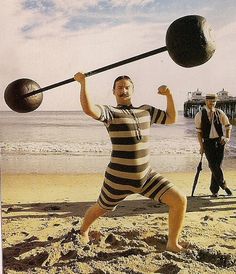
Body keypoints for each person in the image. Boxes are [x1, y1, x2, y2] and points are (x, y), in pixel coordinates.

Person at [74, 72, 187, 252]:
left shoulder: (146, 110)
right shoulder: (110, 112)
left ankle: (172, 243)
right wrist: (83, 82)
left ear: (132, 90)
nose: (123, 90)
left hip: (145, 177)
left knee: (179, 200)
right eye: (119, 87)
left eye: (127, 87)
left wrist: (169, 95)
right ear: (114, 91)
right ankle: (83, 230)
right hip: (117, 180)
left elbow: (171, 118)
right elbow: (89, 109)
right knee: (100, 208)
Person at [194, 93, 232, 197]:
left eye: (214, 102)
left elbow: (228, 126)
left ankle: (214, 191)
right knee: (212, 165)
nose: (212, 103)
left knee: (217, 166)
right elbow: (199, 133)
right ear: (206, 101)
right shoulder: (200, 114)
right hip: (207, 143)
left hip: (220, 142)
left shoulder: (220, 113)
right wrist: (201, 147)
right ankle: (223, 185)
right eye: (210, 101)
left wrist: (227, 137)